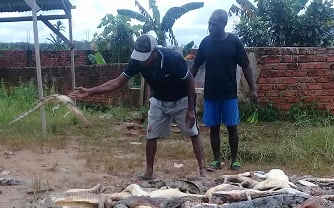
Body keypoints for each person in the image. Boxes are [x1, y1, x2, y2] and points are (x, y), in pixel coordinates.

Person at [70, 34, 207, 180]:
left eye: (145, 57)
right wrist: (90, 92)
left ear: (154, 52)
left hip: (181, 99)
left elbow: (190, 80)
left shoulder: (172, 59)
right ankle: (148, 172)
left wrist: (190, 109)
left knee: (193, 132)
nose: (142, 61)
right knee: (151, 135)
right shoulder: (137, 61)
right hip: (158, 99)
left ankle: (203, 169)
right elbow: (117, 82)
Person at [190, 9, 258, 171]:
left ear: (223, 24)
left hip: (229, 94)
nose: (211, 27)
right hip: (211, 93)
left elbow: (246, 67)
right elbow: (195, 66)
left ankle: (234, 160)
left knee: (232, 127)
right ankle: (216, 160)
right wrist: (184, 83)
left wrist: (253, 89)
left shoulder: (234, 42)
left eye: (214, 24)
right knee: (213, 127)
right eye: (209, 24)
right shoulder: (205, 43)